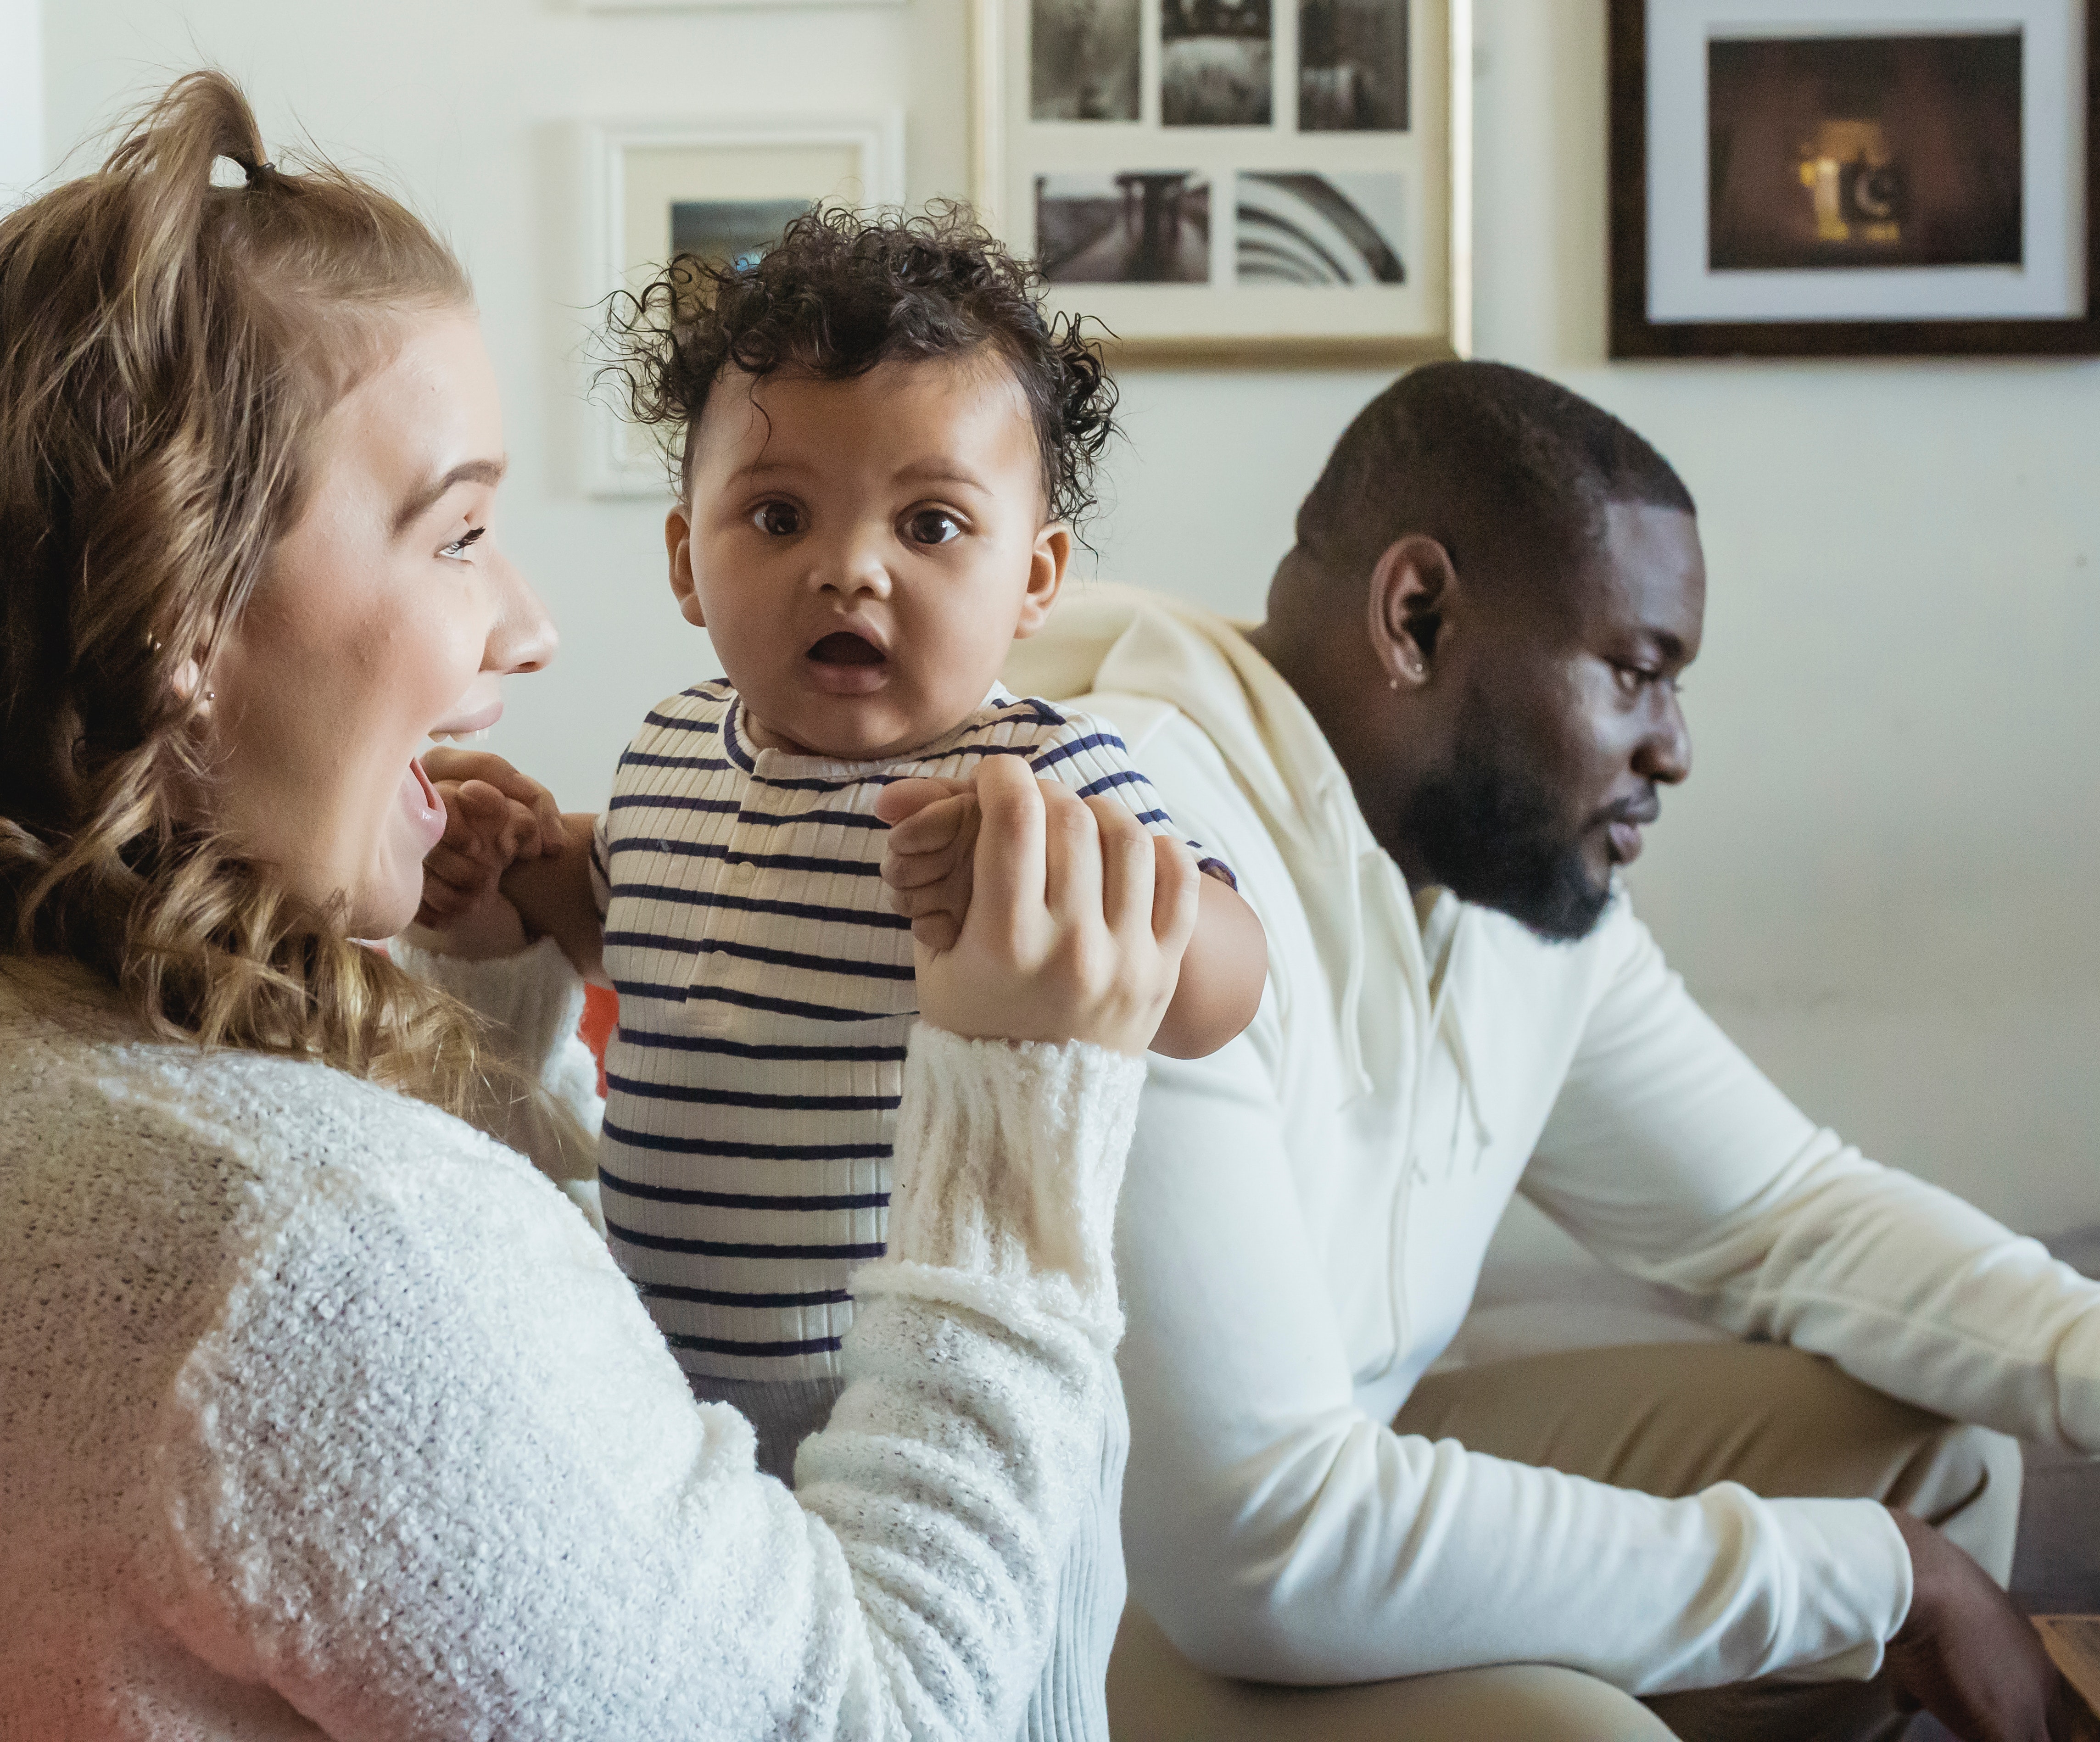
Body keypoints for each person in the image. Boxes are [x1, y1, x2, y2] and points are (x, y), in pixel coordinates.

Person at [0, 69, 1201, 1742]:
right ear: (181, 610)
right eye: (460, 531)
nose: (529, 627)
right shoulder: (309, 1251)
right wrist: (1018, 1118)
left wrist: (486, 967)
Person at [888, 360, 2100, 1742]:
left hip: (1314, 1487)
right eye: (1636, 673)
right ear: (1418, 616)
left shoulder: (1498, 872)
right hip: (1085, 1600)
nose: (1675, 748)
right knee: (1590, 1729)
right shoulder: (1141, 852)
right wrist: (1883, 1581)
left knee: (1933, 1458)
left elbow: (1790, 1218)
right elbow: (1258, 1539)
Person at [413, 208, 1268, 1742]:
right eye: (779, 515)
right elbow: (637, 931)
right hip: (678, 1399)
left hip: (932, 1409)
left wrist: (1049, 880)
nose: (849, 570)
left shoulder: (1041, 772)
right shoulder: (675, 747)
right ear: (686, 558)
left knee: (998, 1707)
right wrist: (521, 868)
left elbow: (1222, 976)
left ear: (1034, 579)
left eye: (930, 526)